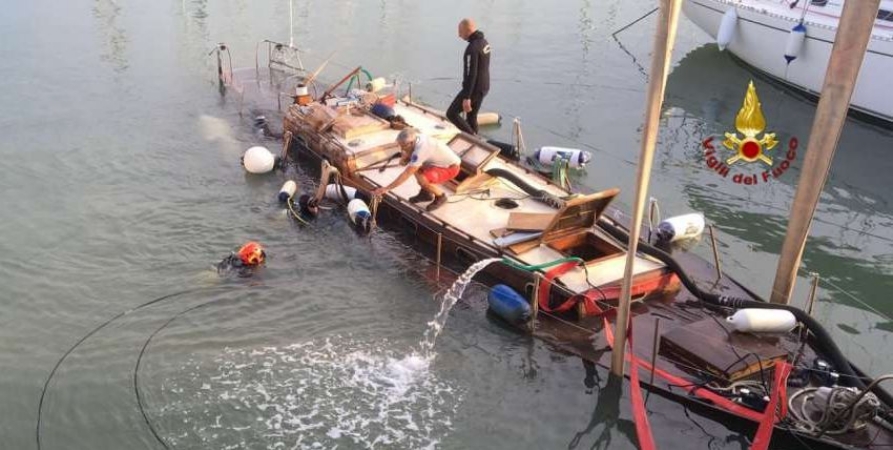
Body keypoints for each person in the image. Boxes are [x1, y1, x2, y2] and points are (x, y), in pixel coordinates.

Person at [372, 128, 461, 212]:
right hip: (434, 164)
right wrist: (405, 156)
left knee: (422, 179)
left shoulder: (422, 150)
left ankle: (441, 196)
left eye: (403, 146)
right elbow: (406, 157)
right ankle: (426, 194)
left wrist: (386, 188)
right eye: (400, 146)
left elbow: (407, 173)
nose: (402, 149)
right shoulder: (416, 138)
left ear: (411, 143)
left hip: (450, 168)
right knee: (414, 166)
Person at [446, 18, 491, 135]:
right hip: (484, 87)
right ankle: (476, 143)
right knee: (471, 118)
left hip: (474, 89)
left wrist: (467, 97)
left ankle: (473, 138)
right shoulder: (484, 42)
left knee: (451, 113)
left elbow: (471, 74)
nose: (459, 35)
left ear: (468, 30)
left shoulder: (472, 49)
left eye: (460, 31)